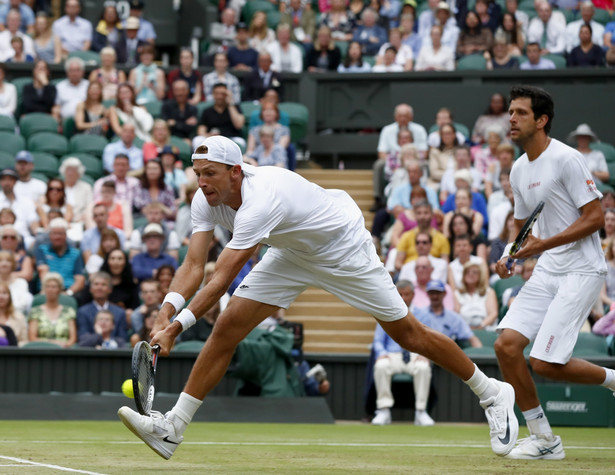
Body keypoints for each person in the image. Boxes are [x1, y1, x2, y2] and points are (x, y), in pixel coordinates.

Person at [117, 135, 519, 460]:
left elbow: (221, 276)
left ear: (236, 172)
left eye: (211, 174)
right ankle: (173, 428)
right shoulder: (204, 199)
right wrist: (165, 312)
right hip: (293, 251)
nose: (203, 183)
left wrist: (176, 327)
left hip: (342, 247)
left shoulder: (261, 200)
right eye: (198, 173)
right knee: (227, 326)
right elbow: (192, 264)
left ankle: (491, 392)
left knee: (409, 335)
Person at [493, 85, 615, 460]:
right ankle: (544, 438)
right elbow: (520, 225)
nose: (511, 118)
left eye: (520, 113)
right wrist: (508, 252)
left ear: (541, 120)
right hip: (548, 269)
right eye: (510, 112)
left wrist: (541, 246)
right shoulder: (517, 169)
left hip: (581, 271)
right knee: (506, 346)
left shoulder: (568, 159)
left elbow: (595, 220)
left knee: (546, 363)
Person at [371, 280, 435, 426]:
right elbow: (378, 340)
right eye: (400, 294)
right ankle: (384, 410)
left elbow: (428, 337)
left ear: (413, 295)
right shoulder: (385, 311)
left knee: (423, 367)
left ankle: (421, 412)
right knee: (380, 365)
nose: (403, 298)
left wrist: (424, 354)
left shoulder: (423, 314)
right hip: (392, 355)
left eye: (406, 294)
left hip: (414, 355)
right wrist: (381, 353)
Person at [414, 280, 483, 348]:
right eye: (432, 293)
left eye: (438, 293)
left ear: (445, 293)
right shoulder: (419, 314)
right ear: (427, 294)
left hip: (445, 352)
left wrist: (479, 353)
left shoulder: (453, 317)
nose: (435, 296)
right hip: (423, 351)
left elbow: (471, 337)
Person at [33, 218, 85, 297]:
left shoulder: (76, 253)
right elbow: (43, 271)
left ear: (65, 235)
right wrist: (51, 290)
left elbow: (80, 279)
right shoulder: (42, 250)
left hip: (68, 292)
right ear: (49, 235)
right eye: (54, 233)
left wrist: (68, 293)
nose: (57, 237)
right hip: (47, 290)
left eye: (60, 234)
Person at [27, 272, 77, 347]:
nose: (50, 290)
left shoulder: (69, 311)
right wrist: (53, 344)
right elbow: (32, 338)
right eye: (48, 286)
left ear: (60, 289)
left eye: (54, 287)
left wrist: (65, 346)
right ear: (44, 289)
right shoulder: (35, 311)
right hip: (40, 350)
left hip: (64, 351)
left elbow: (73, 338)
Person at [76, 271, 128, 342]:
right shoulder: (83, 312)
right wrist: (99, 336)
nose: (99, 288)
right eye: (96, 284)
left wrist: (107, 342)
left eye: (103, 284)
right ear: (90, 289)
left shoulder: (120, 312)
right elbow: (82, 339)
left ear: (110, 289)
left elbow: (123, 340)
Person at [194, 83, 245, 150]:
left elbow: (239, 125)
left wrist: (230, 104)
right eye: (217, 93)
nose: (219, 97)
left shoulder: (235, 108)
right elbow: (201, 130)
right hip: (212, 139)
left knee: (241, 142)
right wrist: (209, 135)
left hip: (230, 139)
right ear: (213, 94)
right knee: (197, 140)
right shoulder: (207, 111)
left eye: (222, 94)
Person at [454, 261, 498, 330]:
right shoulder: (457, 293)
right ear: (463, 275)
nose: (470, 274)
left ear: (480, 276)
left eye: (474, 272)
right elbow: (456, 314)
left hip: (485, 327)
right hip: (464, 327)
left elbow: (493, 314)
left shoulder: (489, 292)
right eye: (467, 272)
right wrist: (466, 328)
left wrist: (481, 326)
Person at [0, 250, 32, 315]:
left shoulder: (22, 283)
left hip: (16, 317)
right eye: (0, 261)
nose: (4, 264)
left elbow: (24, 304)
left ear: (13, 264)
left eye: (8, 261)